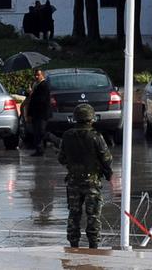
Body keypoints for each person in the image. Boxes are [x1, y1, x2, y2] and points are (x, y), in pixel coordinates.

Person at [59, 103, 112, 249]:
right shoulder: (96, 137)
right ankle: (93, 244)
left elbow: (61, 158)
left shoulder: (67, 136)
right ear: (91, 118)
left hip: (73, 181)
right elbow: (107, 158)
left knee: (74, 214)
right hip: (92, 183)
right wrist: (108, 171)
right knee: (93, 215)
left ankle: (73, 242)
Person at [27, 68, 52, 156]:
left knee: (41, 132)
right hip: (35, 113)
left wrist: (32, 94)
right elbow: (31, 101)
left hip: (42, 113)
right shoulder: (35, 85)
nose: (36, 77)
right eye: (35, 75)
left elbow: (41, 100)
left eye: (38, 75)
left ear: (42, 75)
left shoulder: (44, 85)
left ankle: (56, 141)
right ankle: (39, 149)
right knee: (36, 132)